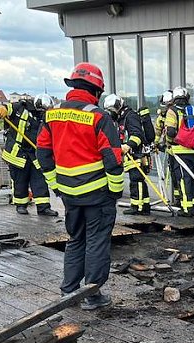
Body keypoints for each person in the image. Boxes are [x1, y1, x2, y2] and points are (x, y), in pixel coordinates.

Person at [36, 62, 124, 311]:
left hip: (69, 195)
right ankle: (92, 295)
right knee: (96, 241)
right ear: (97, 91)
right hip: (97, 194)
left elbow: (42, 155)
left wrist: (56, 185)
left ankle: (69, 291)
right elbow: (113, 159)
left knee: (76, 239)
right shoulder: (99, 117)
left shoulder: (51, 115)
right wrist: (115, 190)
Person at [0, 94, 59, 216]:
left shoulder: (45, 117)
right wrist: (1, 108)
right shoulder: (20, 108)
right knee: (20, 181)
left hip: (35, 154)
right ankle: (21, 205)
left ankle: (43, 207)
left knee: (40, 181)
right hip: (17, 152)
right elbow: (6, 108)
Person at [164, 86, 194, 216]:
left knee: (183, 179)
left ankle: (187, 208)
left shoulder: (172, 111)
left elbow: (171, 131)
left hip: (179, 152)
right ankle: (192, 203)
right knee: (190, 177)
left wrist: (168, 143)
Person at [103, 93, 150, 215]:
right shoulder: (122, 118)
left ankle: (137, 207)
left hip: (137, 154)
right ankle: (144, 205)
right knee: (138, 180)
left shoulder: (130, 116)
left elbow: (137, 135)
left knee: (136, 180)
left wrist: (128, 145)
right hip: (131, 154)